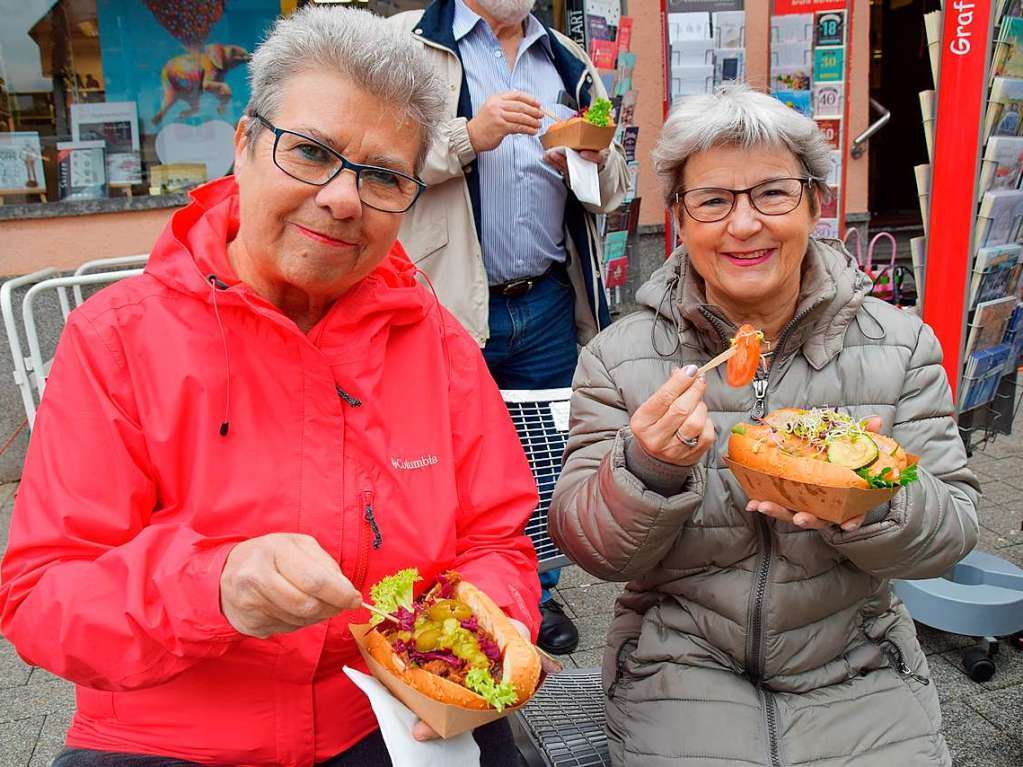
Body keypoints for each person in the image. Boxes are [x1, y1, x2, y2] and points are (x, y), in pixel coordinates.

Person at [0, 7, 540, 766]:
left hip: (399, 718)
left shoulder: (439, 343)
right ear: (243, 145)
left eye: (383, 175)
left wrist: (489, 630)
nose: (344, 198)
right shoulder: (114, 339)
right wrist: (210, 589)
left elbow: (494, 542)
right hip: (171, 739)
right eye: (312, 152)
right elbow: (42, 597)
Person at [548, 85, 980, 766]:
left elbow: (948, 537)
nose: (742, 225)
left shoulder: (901, 346)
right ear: (680, 218)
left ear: (813, 203)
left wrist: (870, 493)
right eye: (713, 200)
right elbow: (594, 551)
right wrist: (646, 468)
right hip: (677, 672)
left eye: (771, 193)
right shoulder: (620, 357)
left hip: (858, 668)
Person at [388, 0, 629, 656]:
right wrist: (472, 134)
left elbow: (614, 183)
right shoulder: (406, 45)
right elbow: (374, 159)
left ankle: (533, 591)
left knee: (539, 463)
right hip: (441, 302)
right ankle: (440, 600)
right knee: (436, 455)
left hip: (547, 302)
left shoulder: (570, 61)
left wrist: (584, 161)